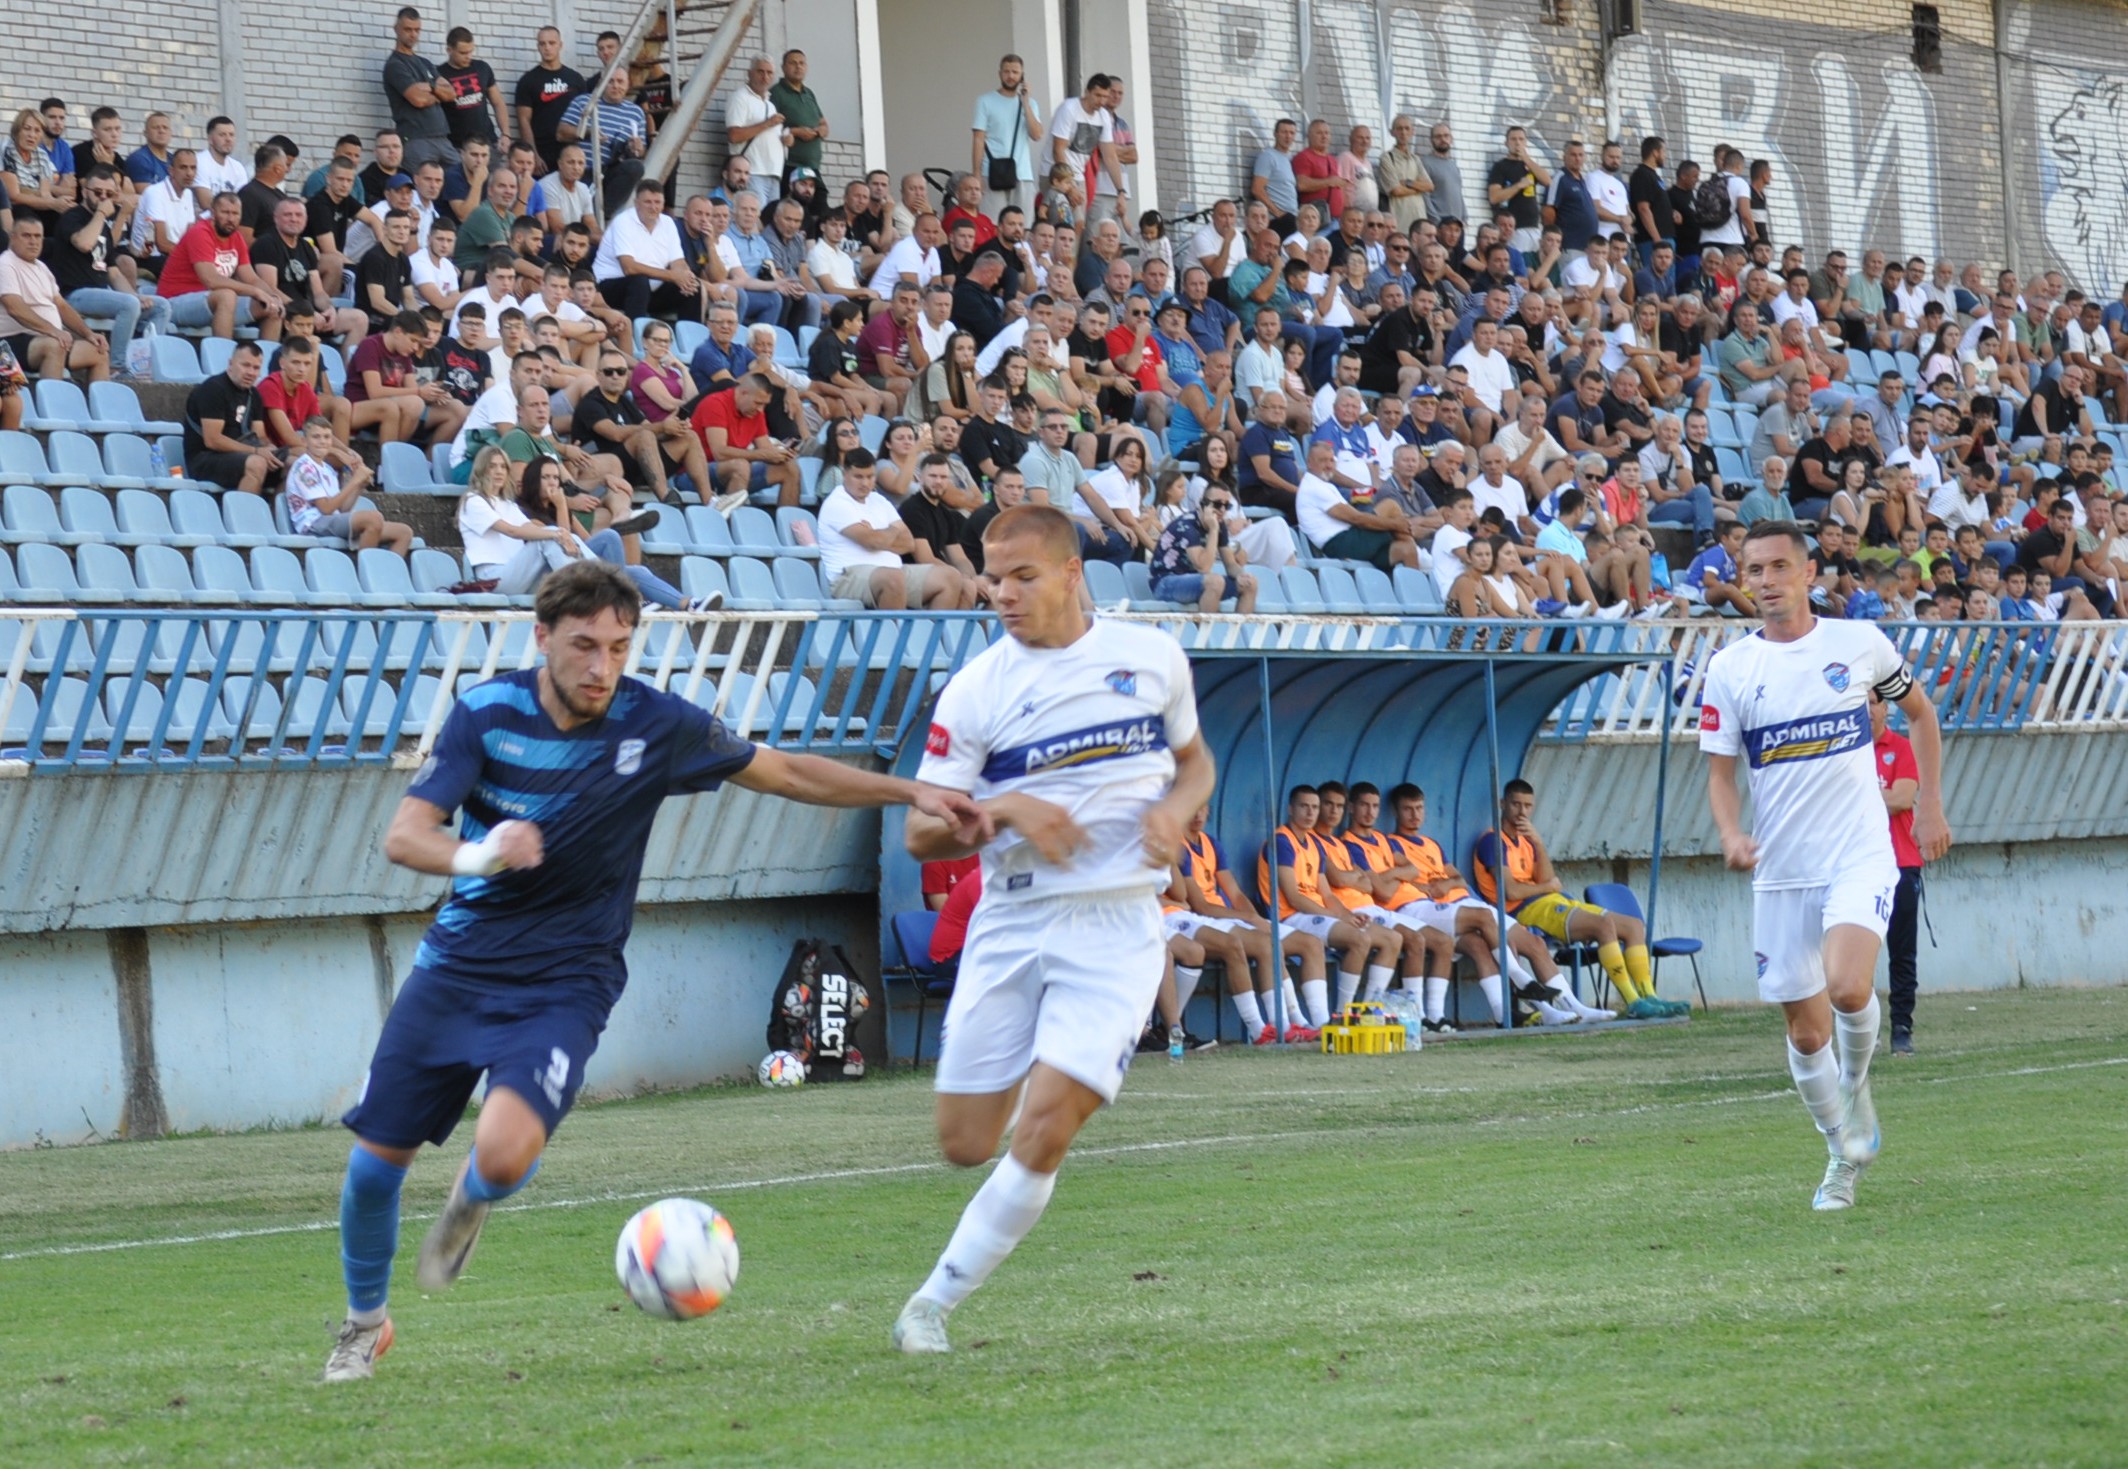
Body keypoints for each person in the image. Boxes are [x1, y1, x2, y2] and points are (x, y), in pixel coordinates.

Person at [322, 558, 979, 1380]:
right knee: (372, 1169)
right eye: (584, 645)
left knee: (501, 1154)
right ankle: (364, 1323)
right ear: (541, 637)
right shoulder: (485, 713)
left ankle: (475, 1196)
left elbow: (783, 770)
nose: (602, 666)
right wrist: (482, 853)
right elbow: (405, 835)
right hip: (455, 969)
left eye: (619, 647)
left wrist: (908, 791)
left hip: (567, 979)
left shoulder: (654, 722)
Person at [892, 504, 1211, 1354]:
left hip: (1117, 928)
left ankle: (930, 1305)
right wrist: (1004, 810)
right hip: (1013, 919)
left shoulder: (1152, 659)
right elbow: (920, 832)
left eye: (1023, 576)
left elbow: (1195, 763)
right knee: (966, 1143)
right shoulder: (977, 688)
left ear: (1073, 573)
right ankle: (1017, 1097)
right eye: (994, 577)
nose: (1003, 593)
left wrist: (1176, 809)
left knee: (1044, 1128)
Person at [1700, 521, 1949, 1212]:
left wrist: (1929, 804)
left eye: (1780, 566)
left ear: (1809, 573)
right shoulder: (1730, 669)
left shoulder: (1858, 643)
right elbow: (1720, 773)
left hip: (1857, 854)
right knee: (1807, 1033)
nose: (1767, 580)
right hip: (1782, 869)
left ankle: (1856, 1088)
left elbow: (1921, 715)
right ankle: (1840, 1150)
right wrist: (1731, 832)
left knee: (1847, 986)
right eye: (1755, 570)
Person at [1473, 781, 1685, 1018]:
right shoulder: (1493, 841)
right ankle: (1633, 1002)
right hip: (1522, 910)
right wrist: (1548, 887)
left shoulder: (1526, 840)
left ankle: (1650, 996)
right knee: (1602, 925)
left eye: (1528, 806)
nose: (1522, 812)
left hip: (1549, 900)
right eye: (1515, 804)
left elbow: (1548, 879)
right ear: (1503, 804)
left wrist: (1539, 844)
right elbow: (1511, 892)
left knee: (1633, 926)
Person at [1255, 784, 1405, 1026]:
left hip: (1316, 913)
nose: (1310, 812)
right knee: (1359, 939)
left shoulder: (1314, 844)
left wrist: (1346, 915)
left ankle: (1365, 1012)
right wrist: (1334, 917)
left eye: (1314, 807)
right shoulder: (1282, 840)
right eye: (1304, 806)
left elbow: (1326, 894)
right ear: (1291, 809)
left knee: (1392, 939)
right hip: (1290, 916)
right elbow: (1294, 897)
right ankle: (1338, 1016)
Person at [1868, 690, 1925, 1057]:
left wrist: (1857, 801)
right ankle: (1864, 1028)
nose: (1867, 709)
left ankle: (1901, 1028)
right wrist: (1881, 797)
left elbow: (1903, 798)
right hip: (1859, 866)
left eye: (1873, 702)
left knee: (1902, 953)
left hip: (1901, 861)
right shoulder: (1847, 752)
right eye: (1861, 702)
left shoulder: (1901, 748)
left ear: (1885, 708)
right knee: (1858, 954)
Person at [283, 414, 412, 552]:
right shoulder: (304, 467)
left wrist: (359, 485)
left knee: (404, 532)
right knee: (373, 519)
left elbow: (342, 509)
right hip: (312, 524)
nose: (322, 441)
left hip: (331, 519)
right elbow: (325, 509)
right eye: (316, 437)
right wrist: (354, 481)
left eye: (326, 437)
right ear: (304, 441)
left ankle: (379, 566)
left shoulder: (327, 469)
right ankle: (364, 565)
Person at [182, 340, 280, 494]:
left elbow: (260, 435)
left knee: (294, 463)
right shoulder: (213, 389)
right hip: (205, 458)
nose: (251, 372)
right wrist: (255, 451)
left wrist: (269, 448)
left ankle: (273, 508)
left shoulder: (254, 395)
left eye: (256, 368)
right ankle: (243, 509)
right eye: (245, 365)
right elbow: (213, 440)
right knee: (257, 464)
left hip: (242, 453)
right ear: (231, 364)